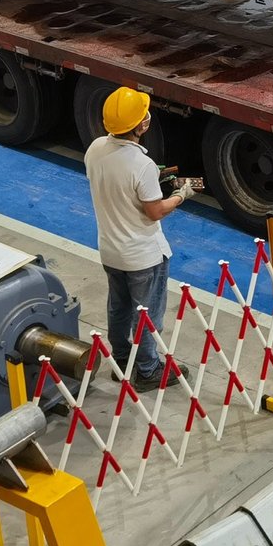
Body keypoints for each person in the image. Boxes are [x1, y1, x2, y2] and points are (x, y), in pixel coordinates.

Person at [85, 88, 202, 387]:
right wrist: (180, 195)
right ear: (141, 126)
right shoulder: (141, 165)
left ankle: (122, 361)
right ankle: (149, 370)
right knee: (147, 315)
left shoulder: (95, 149)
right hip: (142, 257)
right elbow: (154, 211)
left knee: (119, 308)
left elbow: (117, 184)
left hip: (110, 250)